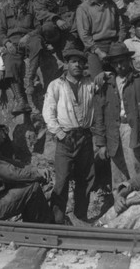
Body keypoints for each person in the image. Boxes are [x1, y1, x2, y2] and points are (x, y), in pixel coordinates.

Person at [93, 42, 140, 198]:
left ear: (129, 60)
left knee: (137, 170)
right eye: (115, 62)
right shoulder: (106, 83)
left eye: (122, 61)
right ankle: (120, 209)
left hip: (135, 130)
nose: (119, 66)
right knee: (117, 173)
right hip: (113, 132)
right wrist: (101, 143)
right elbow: (99, 115)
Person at [42, 49, 96, 224]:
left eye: (81, 62)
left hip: (85, 136)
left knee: (86, 178)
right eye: (74, 62)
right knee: (62, 179)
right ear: (67, 64)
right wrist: (59, 133)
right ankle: (57, 219)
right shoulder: (56, 85)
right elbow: (48, 112)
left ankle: (81, 216)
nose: (78, 65)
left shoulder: (90, 84)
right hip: (66, 137)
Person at [0, 0, 40, 115]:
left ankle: (30, 80)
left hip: (28, 39)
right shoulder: (5, 9)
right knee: (10, 61)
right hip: (13, 43)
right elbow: (1, 31)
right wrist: (7, 42)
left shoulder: (31, 5)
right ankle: (21, 100)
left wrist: (29, 35)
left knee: (37, 44)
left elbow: (39, 26)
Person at [75, 0, 126, 78]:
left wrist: (120, 42)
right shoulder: (83, 8)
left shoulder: (111, 4)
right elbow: (84, 35)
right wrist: (98, 52)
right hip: (95, 47)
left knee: (123, 76)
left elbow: (121, 26)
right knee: (99, 81)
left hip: (114, 44)